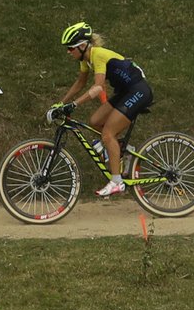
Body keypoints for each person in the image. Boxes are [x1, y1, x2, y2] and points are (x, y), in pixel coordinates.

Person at [50, 22, 153, 197]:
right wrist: (60, 103)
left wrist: (74, 105)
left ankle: (116, 181)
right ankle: (123, 152)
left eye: (70, 48)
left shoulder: (97, 55)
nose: (68, 52)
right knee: (95, 121)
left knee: (107, 134)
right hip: (125, 91)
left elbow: (98, 87)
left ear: (82, 46)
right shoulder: (85, 59)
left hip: (138, 91)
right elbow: (80, 83)